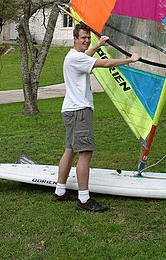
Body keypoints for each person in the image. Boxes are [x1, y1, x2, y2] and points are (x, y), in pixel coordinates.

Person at [52, 21, 139, 212]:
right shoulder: (76, 58)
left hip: (70, 110)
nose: (86, 40)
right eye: (83, 38)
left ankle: (59, 191)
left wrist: (98, 44)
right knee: (85, 152)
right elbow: (105, 63)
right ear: (74, 39)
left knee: (70, 149)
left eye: (87, 37)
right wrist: (130, 60)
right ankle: (84, 199)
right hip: (79, 111)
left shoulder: (74, 56)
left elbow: (87, 57)